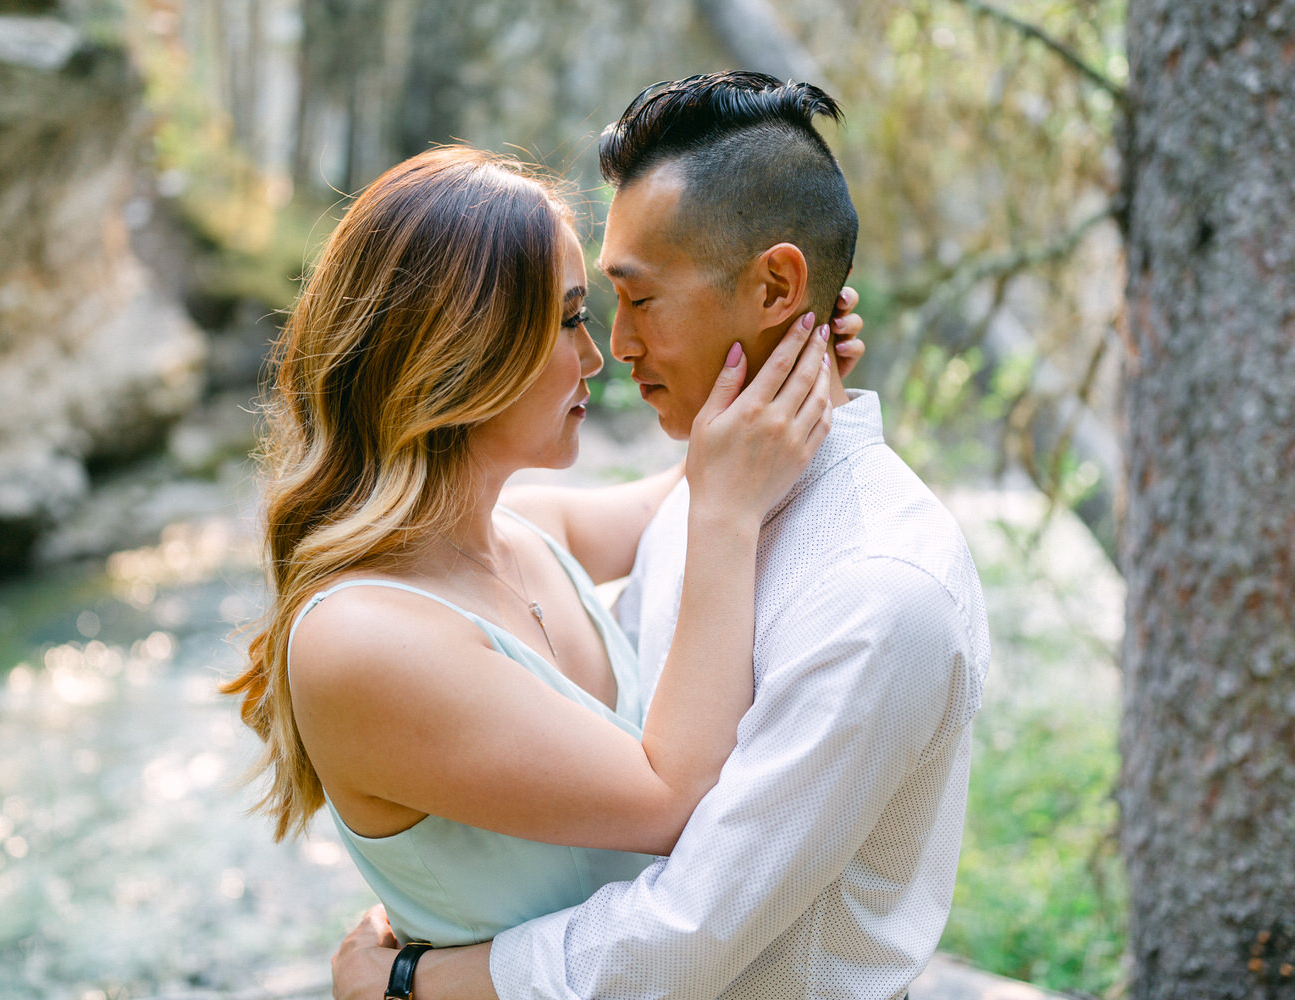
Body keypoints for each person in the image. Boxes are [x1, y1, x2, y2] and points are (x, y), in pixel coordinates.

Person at [331, 72, 990, 1000]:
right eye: (592, 308)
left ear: (775, 285)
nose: (614, 347)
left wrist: (414, 984)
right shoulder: (710, 489)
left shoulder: (882, 590)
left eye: (639, 301)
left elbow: (687, 932)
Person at [221, 143, 862, 964]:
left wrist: (785, 355)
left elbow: (707, 476)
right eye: (566, 320)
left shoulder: (528, 527)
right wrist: (728, 521)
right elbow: (675, 802)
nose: (599, 355)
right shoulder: (360, 640)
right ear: (460, 348)